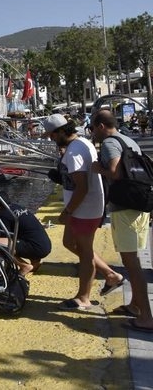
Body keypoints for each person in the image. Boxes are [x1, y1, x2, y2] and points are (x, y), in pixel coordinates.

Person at [43, 113, 124, 310]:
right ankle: (111, 275)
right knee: (68, 242)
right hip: (87, 207)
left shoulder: (74, 152)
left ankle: (84, 298)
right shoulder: (81, 144)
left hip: (84, 210)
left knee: (86, 254)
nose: (50, 139)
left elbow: (82, 187)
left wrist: (68, 211)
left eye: (52, 135)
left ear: (62, 131)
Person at [90, 109, 153, 331]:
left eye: (92, 127)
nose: (92, 133)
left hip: (126, 208)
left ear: (100, 126)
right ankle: (135, 306)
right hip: (140, 206)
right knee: (133, 258)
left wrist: (98, 168)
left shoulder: (109, 143)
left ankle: (146, 317)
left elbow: (115, 172)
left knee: (132, 264)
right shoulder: (128, 140)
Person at [0, 196, 52, 276]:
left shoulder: (4, 213)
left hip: (36, 248)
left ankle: (24, 266)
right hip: (45, 246)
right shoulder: (17, 207)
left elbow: (5, 237)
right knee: (27, 235)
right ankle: (35, 263)